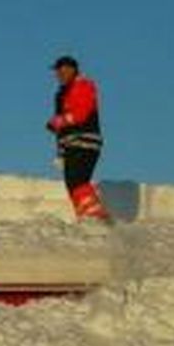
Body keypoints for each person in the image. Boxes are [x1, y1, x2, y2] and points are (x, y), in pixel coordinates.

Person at [47, 55, 111, 222]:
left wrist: (60, 121)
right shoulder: (60, 95)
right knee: (72, 182)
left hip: (86, 141)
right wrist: (60, 153)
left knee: (78, 179)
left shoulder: (83, 85)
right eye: (58, 71)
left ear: (73, 70)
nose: (60, 74)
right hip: (70, 144)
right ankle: (86, 215)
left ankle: (95, 216)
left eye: (64, 70)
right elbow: (60, 130)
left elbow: (82, 112)